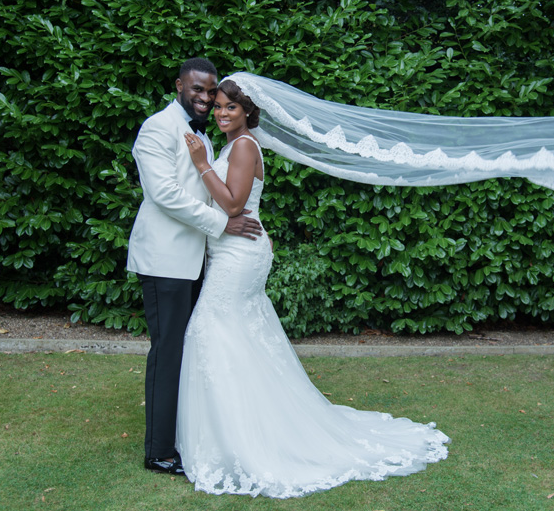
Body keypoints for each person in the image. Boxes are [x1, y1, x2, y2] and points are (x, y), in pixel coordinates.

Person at [175, 79, 450, 498]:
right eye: (218, 107)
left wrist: (201, 164)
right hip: (233, 251)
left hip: (238, 256)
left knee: (212, 332)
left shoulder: (244, 146)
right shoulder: (234, 146)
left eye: (231, 107)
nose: (221, 113)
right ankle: (242, 430)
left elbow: (233, 204)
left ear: (248, 111)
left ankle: (244, 439)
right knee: (237, 337)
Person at [126, 58, 263, 475]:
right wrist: (223, 224)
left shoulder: (211, 137)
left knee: (191, 350)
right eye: (198, 90)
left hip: (199, 260)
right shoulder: (157, 128)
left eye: (211, 92)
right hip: (165, 258)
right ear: (179, 86)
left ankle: (189, 437)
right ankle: (159, 451)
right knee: (168, 351)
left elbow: (219, 191)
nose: (205, 98)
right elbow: (164, 194)